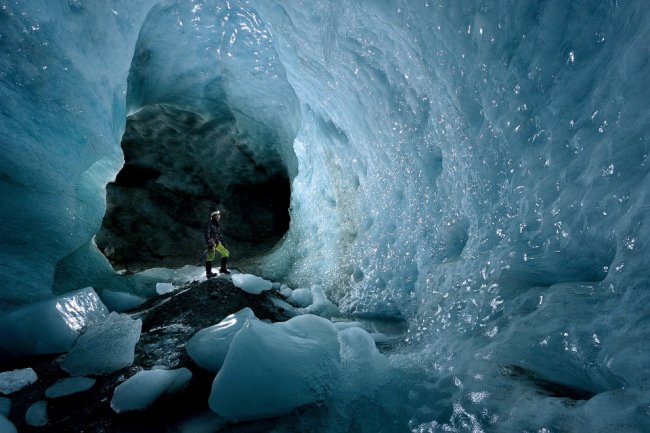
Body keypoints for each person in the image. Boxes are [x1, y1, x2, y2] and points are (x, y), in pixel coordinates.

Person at [204, 210, 230, 277]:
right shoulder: (209, 224)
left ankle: (223, 269)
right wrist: (209, 243)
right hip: (212, 242)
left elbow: (220, 235)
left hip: (217, 242)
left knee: (226, 253)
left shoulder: (217, 224)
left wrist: (223, 243)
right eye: (217, 215)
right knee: (210, 257)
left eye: (219, 215)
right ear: (213, 216)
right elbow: (207, 234)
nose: (218, 216)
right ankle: (208, 273)